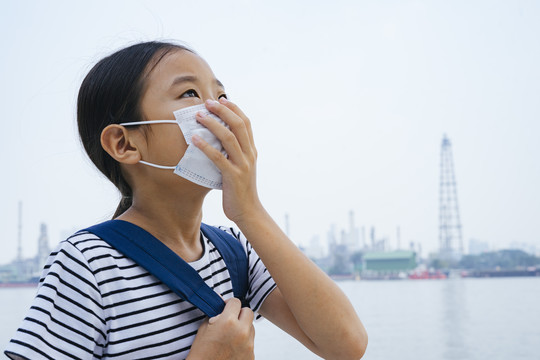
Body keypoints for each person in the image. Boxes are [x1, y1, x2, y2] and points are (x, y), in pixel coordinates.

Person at [4, 41, 368, 360]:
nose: (220, 112)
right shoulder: (88, 263)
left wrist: (249, 210)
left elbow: (345, 345)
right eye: (190, 94)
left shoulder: (235, 251)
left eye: (221, 96)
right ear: (124, 144)